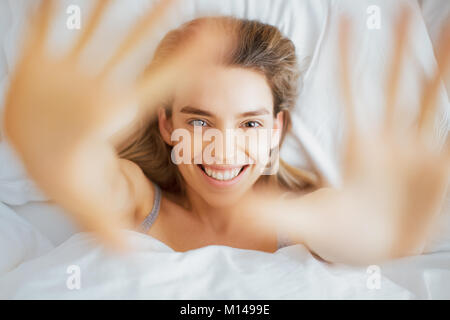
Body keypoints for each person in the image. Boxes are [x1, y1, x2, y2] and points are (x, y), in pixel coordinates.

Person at [3, 0, 449, 265]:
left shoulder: (304, 218)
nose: (224, 149)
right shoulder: (139, 200)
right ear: (166, 124)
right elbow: (94, 179)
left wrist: (383, 231)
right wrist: (58, 147)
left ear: (278, 130)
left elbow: (344, 225)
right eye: (199, 121)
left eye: (250, 123)